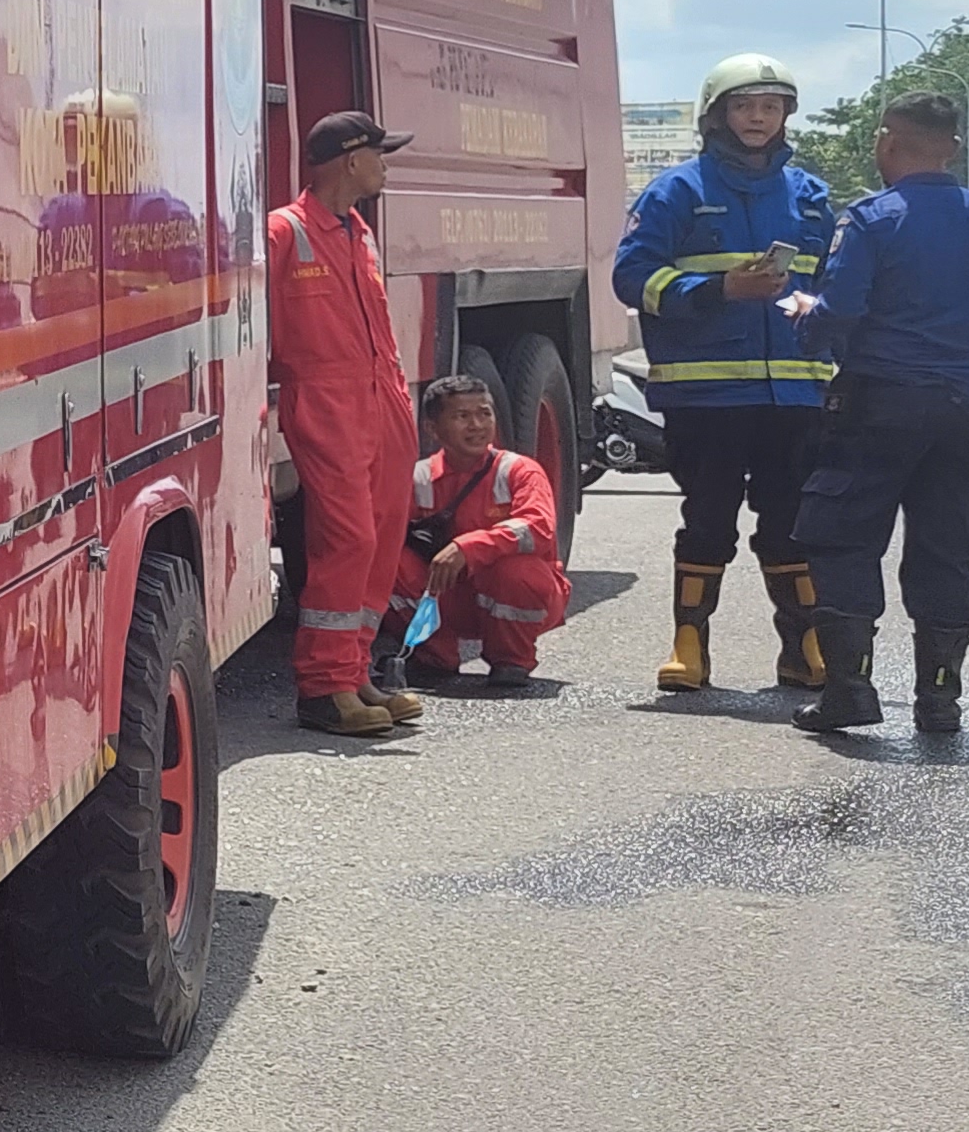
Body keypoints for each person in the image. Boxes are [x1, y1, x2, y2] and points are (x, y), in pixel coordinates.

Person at [792, 94, 969, 735]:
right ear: (953, 148)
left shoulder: (873, 219)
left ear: (885, 142)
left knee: (844, 538)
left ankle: (850, 692)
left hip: (881, 401)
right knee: (946, 549)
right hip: (963, 409)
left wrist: (803, 317)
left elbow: (840, 309)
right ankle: (939, 701)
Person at [611, 52, 837, 690]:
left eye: (770, 106)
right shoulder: (677, 191)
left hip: (795, 393)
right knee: (708, 518)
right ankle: (689, 647)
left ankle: (802, 648)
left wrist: (808, 313)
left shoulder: (813, 198)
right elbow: (632, 277)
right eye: (745, 105)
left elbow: (832, 288)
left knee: (791, 521)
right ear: (718, 115)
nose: (758, 117)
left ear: (787, 115)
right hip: (704, 396)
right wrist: (716, 292)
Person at [269, 107, 420, 737]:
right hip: (327, 400)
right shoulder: (285, 231)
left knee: (383, 535)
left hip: (381, 395)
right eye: (380, 155)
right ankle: (324, 687)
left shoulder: (357, 231)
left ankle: (354, 671)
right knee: (348, 537)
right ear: (352, 161)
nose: (385, 166)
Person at [396, 372, 574, 688]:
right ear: (432, 429)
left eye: (484, 413)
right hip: (451, 597)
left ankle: (511, 660)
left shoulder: (519, 470)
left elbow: (539, 528)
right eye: (462, 416)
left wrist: (468, 547)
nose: (477, 425)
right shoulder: (417, 479)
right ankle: (433, 656)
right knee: (390, 563)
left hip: (518, 594)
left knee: (517, 570)